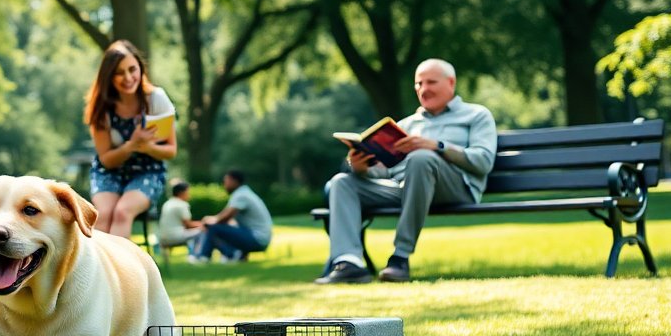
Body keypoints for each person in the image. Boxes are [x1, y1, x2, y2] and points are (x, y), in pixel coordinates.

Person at [316, 58, 496, 284]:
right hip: (405, 188)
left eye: (431, 82)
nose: (424, 89)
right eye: (419, 84)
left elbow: (484, 161)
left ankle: (400, 258)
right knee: (343, 181)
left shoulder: (476, 115)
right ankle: (349, 263)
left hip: (455, 188)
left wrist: (437, 146)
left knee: (421, 158)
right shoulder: (406, 125)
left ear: (451, 83)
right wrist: (362, 168)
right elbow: (386, 171)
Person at [85, 40, 178, 238]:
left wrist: (147, 147)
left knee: (122, 212)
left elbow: (171, 150)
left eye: (132, 69)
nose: (128, 78)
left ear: (140, 69)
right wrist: (131, 145)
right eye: (119, 72)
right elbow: (107, 160)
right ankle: (96, 269)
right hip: (109, 172)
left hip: (148, 172)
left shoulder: (156, 99)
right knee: (103, 215)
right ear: (108, 77)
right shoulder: (101, 108)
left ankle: (121, 270)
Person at [188, 170, 273, 264]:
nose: (224, 185)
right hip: (257, 237)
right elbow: (227, 219)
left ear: (234, 181)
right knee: (216, 228)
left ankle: (204, 256)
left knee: (213, 228)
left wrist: (209, 221)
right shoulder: (244, 193)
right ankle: (234, 254)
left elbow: (225, 217)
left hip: (257, 238)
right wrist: (212, 220)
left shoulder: (241, 195)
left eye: (226, 181)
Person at [156, 180, 204, 253]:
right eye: (188, 192)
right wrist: (203, 224)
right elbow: (188, 225)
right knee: (202, 232)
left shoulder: (167, 203)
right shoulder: (182, 204)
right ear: (182, 193)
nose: (189, 195)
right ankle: (196, 255)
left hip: (162, 237)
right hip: (175, 236)